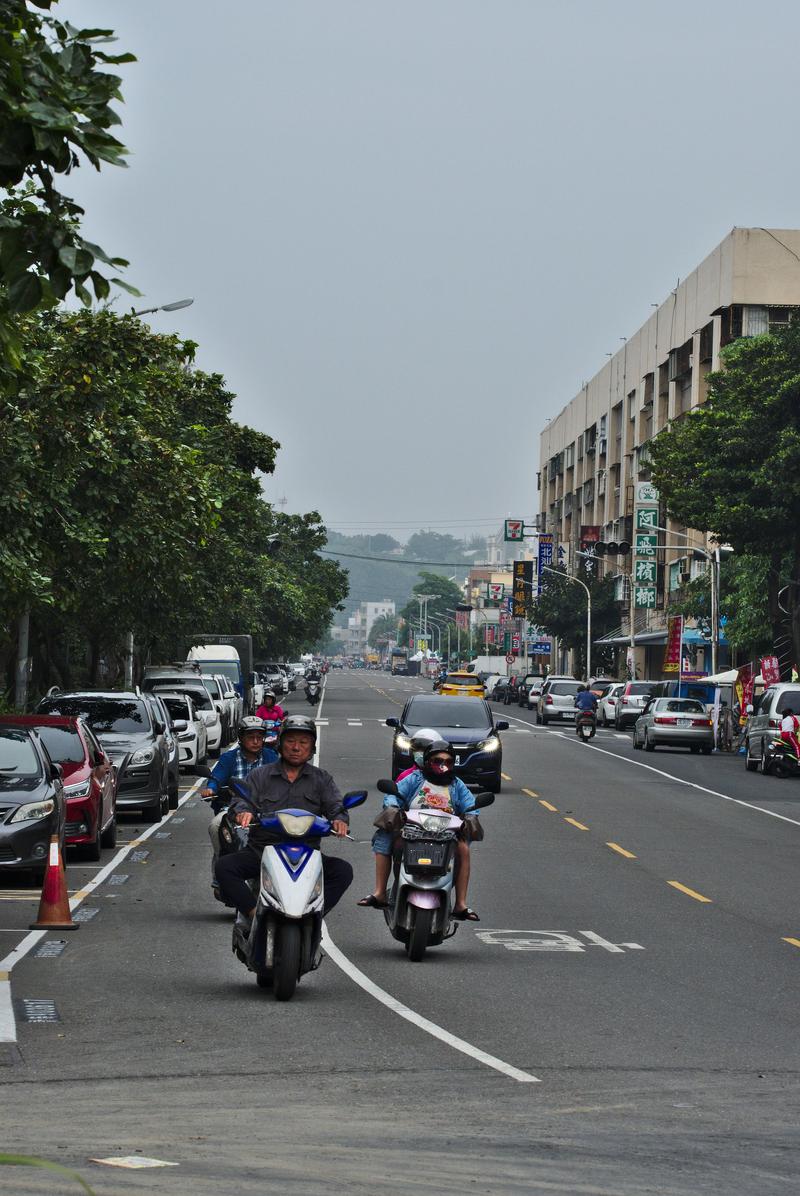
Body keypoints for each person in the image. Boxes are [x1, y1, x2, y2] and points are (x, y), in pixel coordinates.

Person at [215, 714, 352, 919]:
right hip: (263, 851)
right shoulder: (259, 775)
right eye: (290, 741)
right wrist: (244, 812)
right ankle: (253, 915)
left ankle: (314, 916)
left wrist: (339, 819)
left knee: (343, 871)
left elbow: (335, 805)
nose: (296, 747)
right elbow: (243, 800)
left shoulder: (321, 779)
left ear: (312, 747)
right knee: (224, 867)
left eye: (303, 742)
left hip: (307, 853)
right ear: (280, 744)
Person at [358, 739, 482, 921]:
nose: (443, 766)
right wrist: (393, 808)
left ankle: (460, 904)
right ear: (427, 761)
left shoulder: (457, 785)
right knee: (384, 836)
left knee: (464, 848)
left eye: (448, 762)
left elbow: (471, 805)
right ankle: (380, 893)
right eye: (438, 761)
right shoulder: (415, 779)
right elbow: (393, 795)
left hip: (446, 834)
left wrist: (470, 817)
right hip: (411, 830)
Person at [201, 716, 279, 898]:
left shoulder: (271, 757)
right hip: (230, 810)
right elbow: (216, 777)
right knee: (215, 826)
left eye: (259, 737)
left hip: (264, 812)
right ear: (241, 738)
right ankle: (220, 873)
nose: (255, 741)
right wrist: (210, 789)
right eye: (250, 736)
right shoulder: (229, 758)